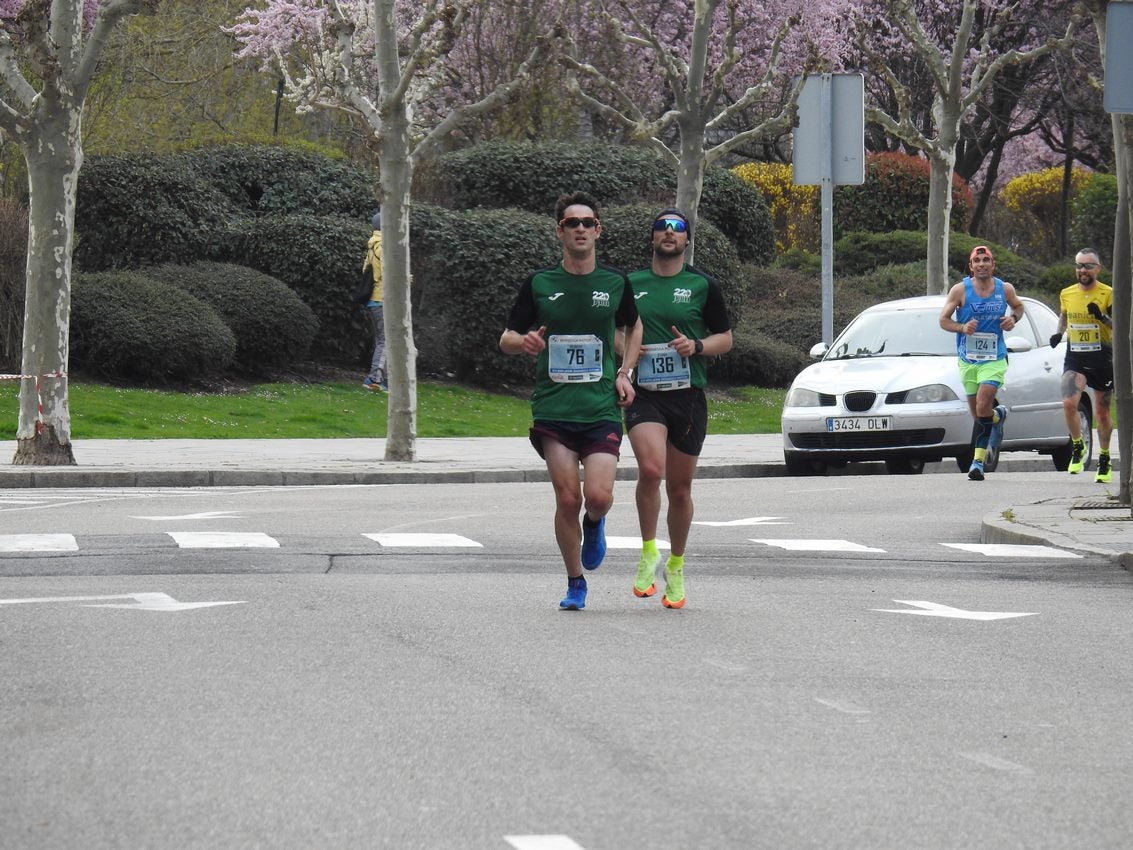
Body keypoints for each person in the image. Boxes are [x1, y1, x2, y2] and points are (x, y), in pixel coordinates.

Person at [500, 191, 643, 611]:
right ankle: (575, 581)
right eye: (571, 223)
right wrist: (521, 341)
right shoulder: (540, 283)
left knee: (597, 497)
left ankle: (595, 524)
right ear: (559, 231)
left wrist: (625, 373)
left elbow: (635, 327)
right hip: (553, 408)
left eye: (587, 222)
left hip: (599, 407)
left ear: (598, 230)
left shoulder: (615, 282)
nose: (579, 228)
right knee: (567, 498)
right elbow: (506, 337)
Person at [622, 208, 732, 609]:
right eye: (662, 228)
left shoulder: (703, 285)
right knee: (651, 470)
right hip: (646, 393)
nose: (669, 233)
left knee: (679, 488)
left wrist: (696, 346)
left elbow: (726, 339)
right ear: (652, 239)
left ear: (686, 241)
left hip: (688, 396)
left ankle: (677, 564)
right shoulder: (630, 284)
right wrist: (630, 355)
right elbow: (615, 331)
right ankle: (648, 550)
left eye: (678, 228)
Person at [938, 245, 1025, 481]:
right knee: (979, 413)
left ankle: (977, 463)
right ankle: (999, 416)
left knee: (984, 400)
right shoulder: (960, 290)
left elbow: (1018, 306)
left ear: (993, 265)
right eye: (977, 261)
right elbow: (943, 321)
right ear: (971, 266)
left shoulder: (1004, 289)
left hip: (995, 357)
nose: (982, 264)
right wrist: (962, 327)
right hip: (968, 359)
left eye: (986, 260)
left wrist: (1012, 319)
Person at [1050, 247, 1114, 481]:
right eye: (1079, 265)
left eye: (1088, 265)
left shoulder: (1108, 293)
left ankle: (1105, 458)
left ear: (1098, 268)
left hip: (1101, 356)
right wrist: (1058, 333)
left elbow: (1118, 326)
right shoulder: (1067, 293)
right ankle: (1078, 446)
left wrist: (1101, 317)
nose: (1083, 270)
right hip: (1075, 354)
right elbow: (1064, 315)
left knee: (1102, 412)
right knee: (1068, 403)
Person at [362, 211, 387, 392]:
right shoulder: (383, 246)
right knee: (385, 342)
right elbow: (389, 273)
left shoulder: (372, 245)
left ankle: (379, 378)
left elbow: (366, 269)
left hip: (373, 300)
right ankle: (374, 379)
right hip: (382, 299)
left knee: (382, 341)